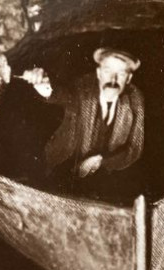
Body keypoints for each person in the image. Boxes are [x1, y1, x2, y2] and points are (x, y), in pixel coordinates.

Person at [20, 47, 145, 199]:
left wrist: (102, 161)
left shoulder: (135, 99)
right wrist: (43, 84)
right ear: (98, 73)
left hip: (105, 177)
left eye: (121, 74)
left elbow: (134, 148)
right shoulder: (83, 88)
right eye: (107, 71)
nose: (113, 80)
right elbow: (62, 95)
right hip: (63, 166)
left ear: (129, 78)